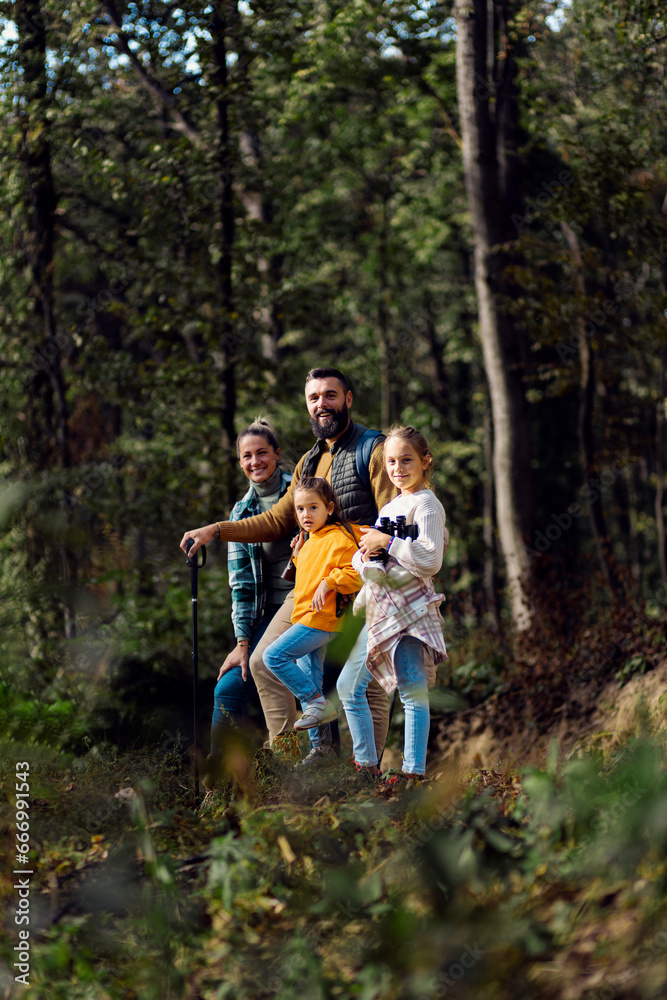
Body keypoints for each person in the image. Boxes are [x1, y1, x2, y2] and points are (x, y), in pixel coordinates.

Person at [180, 368, 395, 766]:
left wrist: (378, 573)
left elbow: (391, 517)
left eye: (330, 395)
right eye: (314, 398)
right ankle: (296, 763)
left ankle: (372, 778)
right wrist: (216, 530)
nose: (322, 404)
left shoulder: (374, 449)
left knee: (368, 688)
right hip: (309, 586)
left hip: (360, 584)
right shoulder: (309, 462)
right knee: (263, 661)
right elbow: (277, 520)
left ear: (347, 399)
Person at [339, 426, 448, 783]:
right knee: (348, 686)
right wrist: (365, 558)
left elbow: (430, 561)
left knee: (412, 691)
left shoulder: (426, 504)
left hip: (412, 608)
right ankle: (367, 766)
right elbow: (367, 555)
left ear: (425, 461)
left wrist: (387, 542)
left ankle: (413, 773)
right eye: (391, 461)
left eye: (406, 460)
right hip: (381, 609)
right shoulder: (390, 506)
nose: (398, 468)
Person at [206, 419, 293, 781]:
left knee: (314, 688)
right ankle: (221, 783)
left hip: (307, 609)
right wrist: (242, 642)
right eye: (247, 456)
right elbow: (240, 585)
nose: (255, 461)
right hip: (265, 618)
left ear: (276, 454)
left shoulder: (301, 491)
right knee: (226, 689)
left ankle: (323, 779)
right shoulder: (240, 513)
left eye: (262, 453)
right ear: (240, 463)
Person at [263, 477, 362, 732]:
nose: (306, 514)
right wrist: (297, 556)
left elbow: (359, 574)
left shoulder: (339, 538)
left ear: (329, 508)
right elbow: (309, 577)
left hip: (322, 619)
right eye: (300, 509)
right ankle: (320, 750)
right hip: (306, 617)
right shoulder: (309, 540)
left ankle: (317, 702)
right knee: (311, 682)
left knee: (273, 656)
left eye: (313, 507)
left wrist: (330, 581)